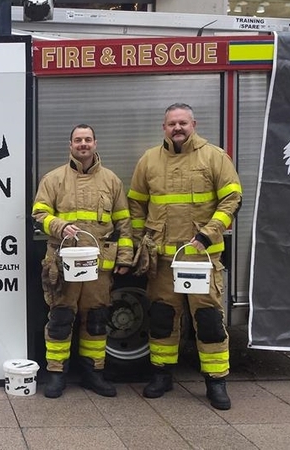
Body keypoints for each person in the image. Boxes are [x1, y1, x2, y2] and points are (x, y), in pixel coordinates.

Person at [128, 103, 242, 410]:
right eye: (171, 123)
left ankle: (215, 381)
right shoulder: (149, 160)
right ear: (163, 127)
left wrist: (209, 232)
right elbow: (136, 203)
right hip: (163, 263)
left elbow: (232, 198)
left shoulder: (214, 157)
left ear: (194, 124)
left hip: (201, 259)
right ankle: (162, 375)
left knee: (208, 321)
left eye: (183, 123)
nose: (177, 128)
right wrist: (142, 240)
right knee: (162, 318)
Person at [32, 124, 133, 398]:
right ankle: (56, 374)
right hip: (63, 263)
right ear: (70, 145)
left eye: (88, 139)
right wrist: (60, 226)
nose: (83, 144)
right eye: (78, 140)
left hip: (99, 265)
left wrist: (125, 256)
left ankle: (93, 373)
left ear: (96, 143)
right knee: (61, 317)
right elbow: (39, 213)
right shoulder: (54, 179)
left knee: (96, 319)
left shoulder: (111, 181)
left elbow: (124, 222)